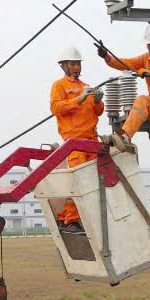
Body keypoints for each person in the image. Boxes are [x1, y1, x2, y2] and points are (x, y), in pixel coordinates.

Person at [96, 21, 150, 150]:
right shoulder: (146, 59)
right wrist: (107, 57)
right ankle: (120, 136)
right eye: (148, 44)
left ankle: (124, 136)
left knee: (143, 100)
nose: (148, 47)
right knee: (142, 102)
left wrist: (149, 73)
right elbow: (126, 63)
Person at [49, 46, 104, 235]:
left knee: (91, 184)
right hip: (75, 143)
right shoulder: (59, 85)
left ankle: (80, 219)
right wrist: (78, 99)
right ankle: (69, 220)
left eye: (78, 64)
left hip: (92, 142)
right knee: (77, 181)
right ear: (63, 65)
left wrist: (97, 100)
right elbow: (56, 108)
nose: (76, 68)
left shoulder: (86, 86)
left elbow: (98, 112)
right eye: (73, 64)